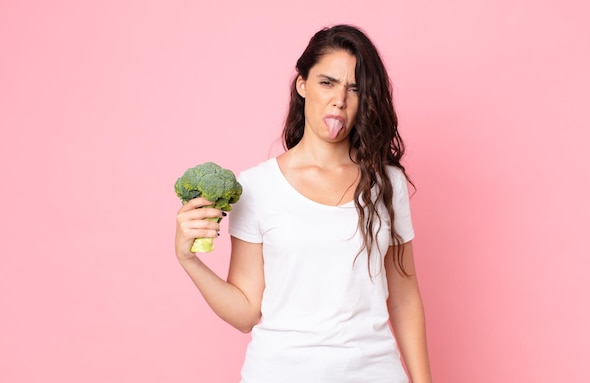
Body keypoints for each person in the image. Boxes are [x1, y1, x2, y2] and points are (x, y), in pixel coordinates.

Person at [175, 24, 432, 383]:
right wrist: (189, 260)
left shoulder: (388, 183)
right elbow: (246, 311)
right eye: (327, 82)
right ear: (302, 85)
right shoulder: (257, 187)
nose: (339, 99)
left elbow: (404, 299)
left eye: (354, 88)